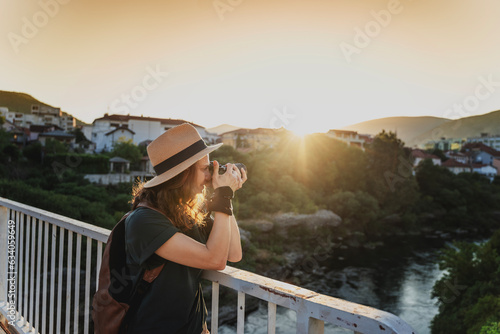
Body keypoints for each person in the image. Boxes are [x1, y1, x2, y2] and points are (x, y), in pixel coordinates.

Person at [124, 123, 246, 333]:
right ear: (182, 174)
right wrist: (224, 194)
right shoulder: (144, 220)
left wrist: (226, 196)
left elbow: (233, 253)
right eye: (204, 169)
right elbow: (215, 260)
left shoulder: (185, 212)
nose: (209, 175)